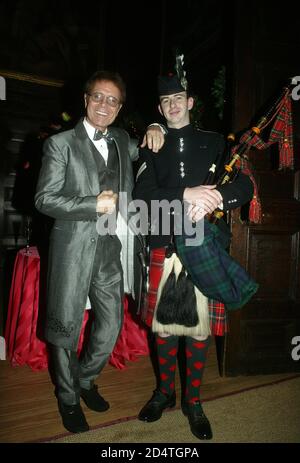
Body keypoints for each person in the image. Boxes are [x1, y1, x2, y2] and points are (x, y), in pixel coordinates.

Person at [34, 70, 165, 433]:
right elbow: (44, 198)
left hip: (109, 249)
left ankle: (84, 379)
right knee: (65, 326)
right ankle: (67, 396)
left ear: (120, 107)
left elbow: (151, 146)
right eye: (98, 97)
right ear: (86, 100)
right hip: (72, 250)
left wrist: (157, 125)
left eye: (112, 100)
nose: (104, 105)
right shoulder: (60, 144)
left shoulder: (123, 139)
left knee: (110, 325)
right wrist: (92, 204)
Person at [133, 74, 254, 440]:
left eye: (179, 97)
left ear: (190, 102)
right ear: (160, 108)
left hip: (204, 247)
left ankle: (194, 402)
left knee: (199, 332)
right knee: (164, 329)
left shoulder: (216, 143)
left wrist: (216, 199)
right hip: (164, 244)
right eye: (165, 100)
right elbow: (142, 195)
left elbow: (245, 186)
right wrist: (186, 193)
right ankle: (164, 393)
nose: (172, 104)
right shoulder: (151, 145)